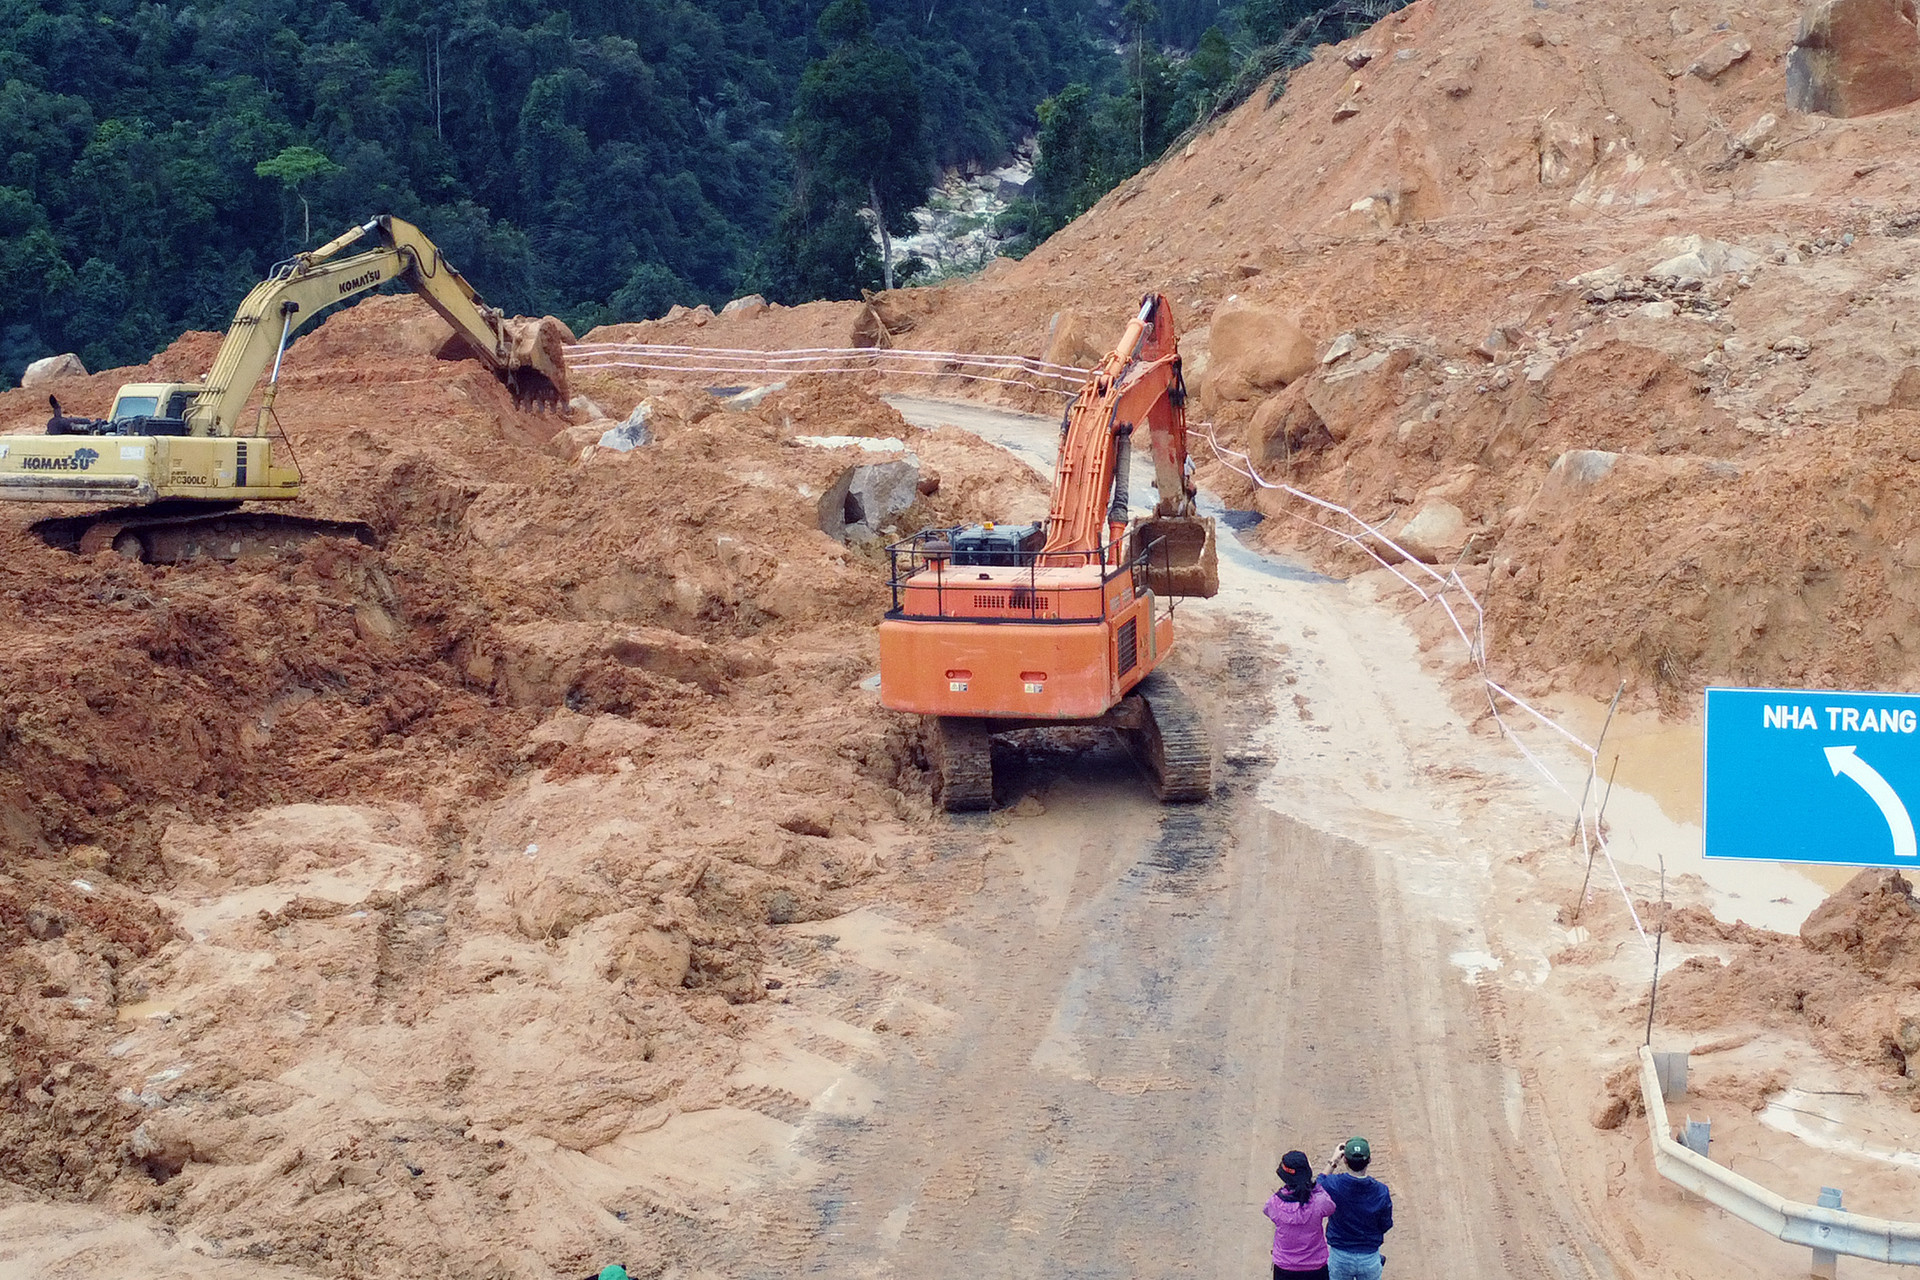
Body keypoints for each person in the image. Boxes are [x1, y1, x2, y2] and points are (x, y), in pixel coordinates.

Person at [1320, 1136, 1393, 1280]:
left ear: (1345, 1160)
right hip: (1369, 1258)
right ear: (1369, 1160)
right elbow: (1385, 1224)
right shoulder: (1381, 1191)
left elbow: (1316, 1186)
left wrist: (1333, 1161)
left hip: (1340, 1257)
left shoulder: (1333, 1185)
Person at [1263, 1149, 1336, 1280]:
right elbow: (1330, 1207)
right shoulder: (1319, 1201)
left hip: (1285, 1269)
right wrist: (1331, 1164)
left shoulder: (1275, 1203)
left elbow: (1267, 1211)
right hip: (1316, 1268)